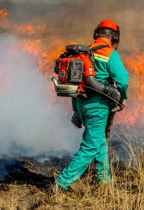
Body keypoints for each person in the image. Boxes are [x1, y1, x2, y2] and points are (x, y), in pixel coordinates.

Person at [55, 19, 129, 191]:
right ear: (115, 38)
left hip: (81, 104)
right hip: (97, 106)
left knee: (100, 142)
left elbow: (78, 84)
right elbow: (123, 80)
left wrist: (76, 111)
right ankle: (62, 183)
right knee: (90, 147)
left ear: (96, 35)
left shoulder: (85, 53)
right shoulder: (110, 54)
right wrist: (122, 97)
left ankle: (104, 182)